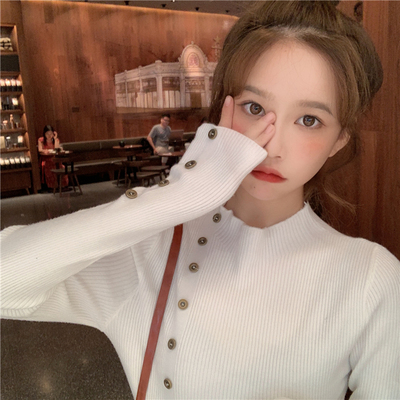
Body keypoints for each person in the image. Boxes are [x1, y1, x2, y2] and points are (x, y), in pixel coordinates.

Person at [1, 2, 399, 398]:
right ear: (222, 112)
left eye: (309, 120)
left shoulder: (369, 279)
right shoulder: (151, 250)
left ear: (339, 139)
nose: (271, 147)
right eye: (255, 108)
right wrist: (178, 195)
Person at [38, 125, 68, 190]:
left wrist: (55, 138)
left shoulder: (56, 140)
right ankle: (52, 187)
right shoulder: (41, 140)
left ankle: (62, 185)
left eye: (51, 133)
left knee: (62, 167)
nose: (49, 135)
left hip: (55, 158)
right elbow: (40, 150)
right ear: (44, 134)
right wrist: (45, 151)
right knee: (49, 168)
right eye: (47, 134)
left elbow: (57, 149)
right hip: (46, 159)